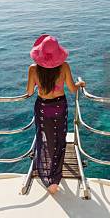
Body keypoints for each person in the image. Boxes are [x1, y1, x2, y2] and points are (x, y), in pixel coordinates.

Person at [25, 34, 86, 194]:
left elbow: (30, 92)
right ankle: (55, 178)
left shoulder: (33, 69)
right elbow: (72, 89)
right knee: (59, 139)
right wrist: (79, 84)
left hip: (43, 107)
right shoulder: (64, 66)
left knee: (44, 137)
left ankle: (46, 172)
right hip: (59, 105)